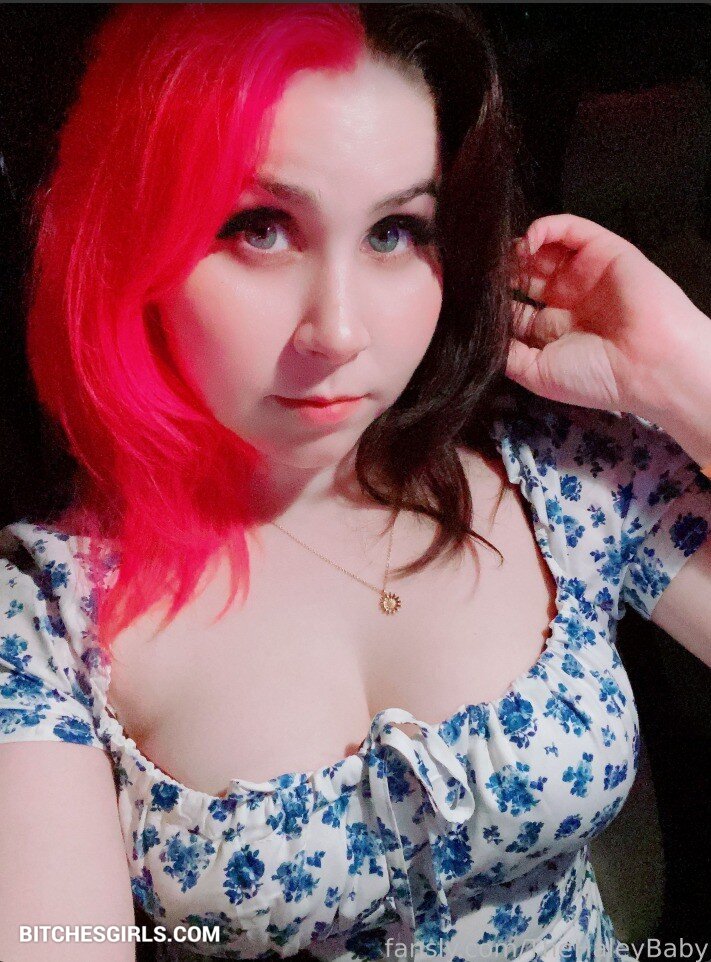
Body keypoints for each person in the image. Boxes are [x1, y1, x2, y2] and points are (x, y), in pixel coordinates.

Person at [1, 4, 710, 961]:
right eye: (258, 227)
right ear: (132, 243)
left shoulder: (562, 470)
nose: (338, 331)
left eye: (394, 231)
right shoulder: (45, 619)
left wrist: (685, 374)